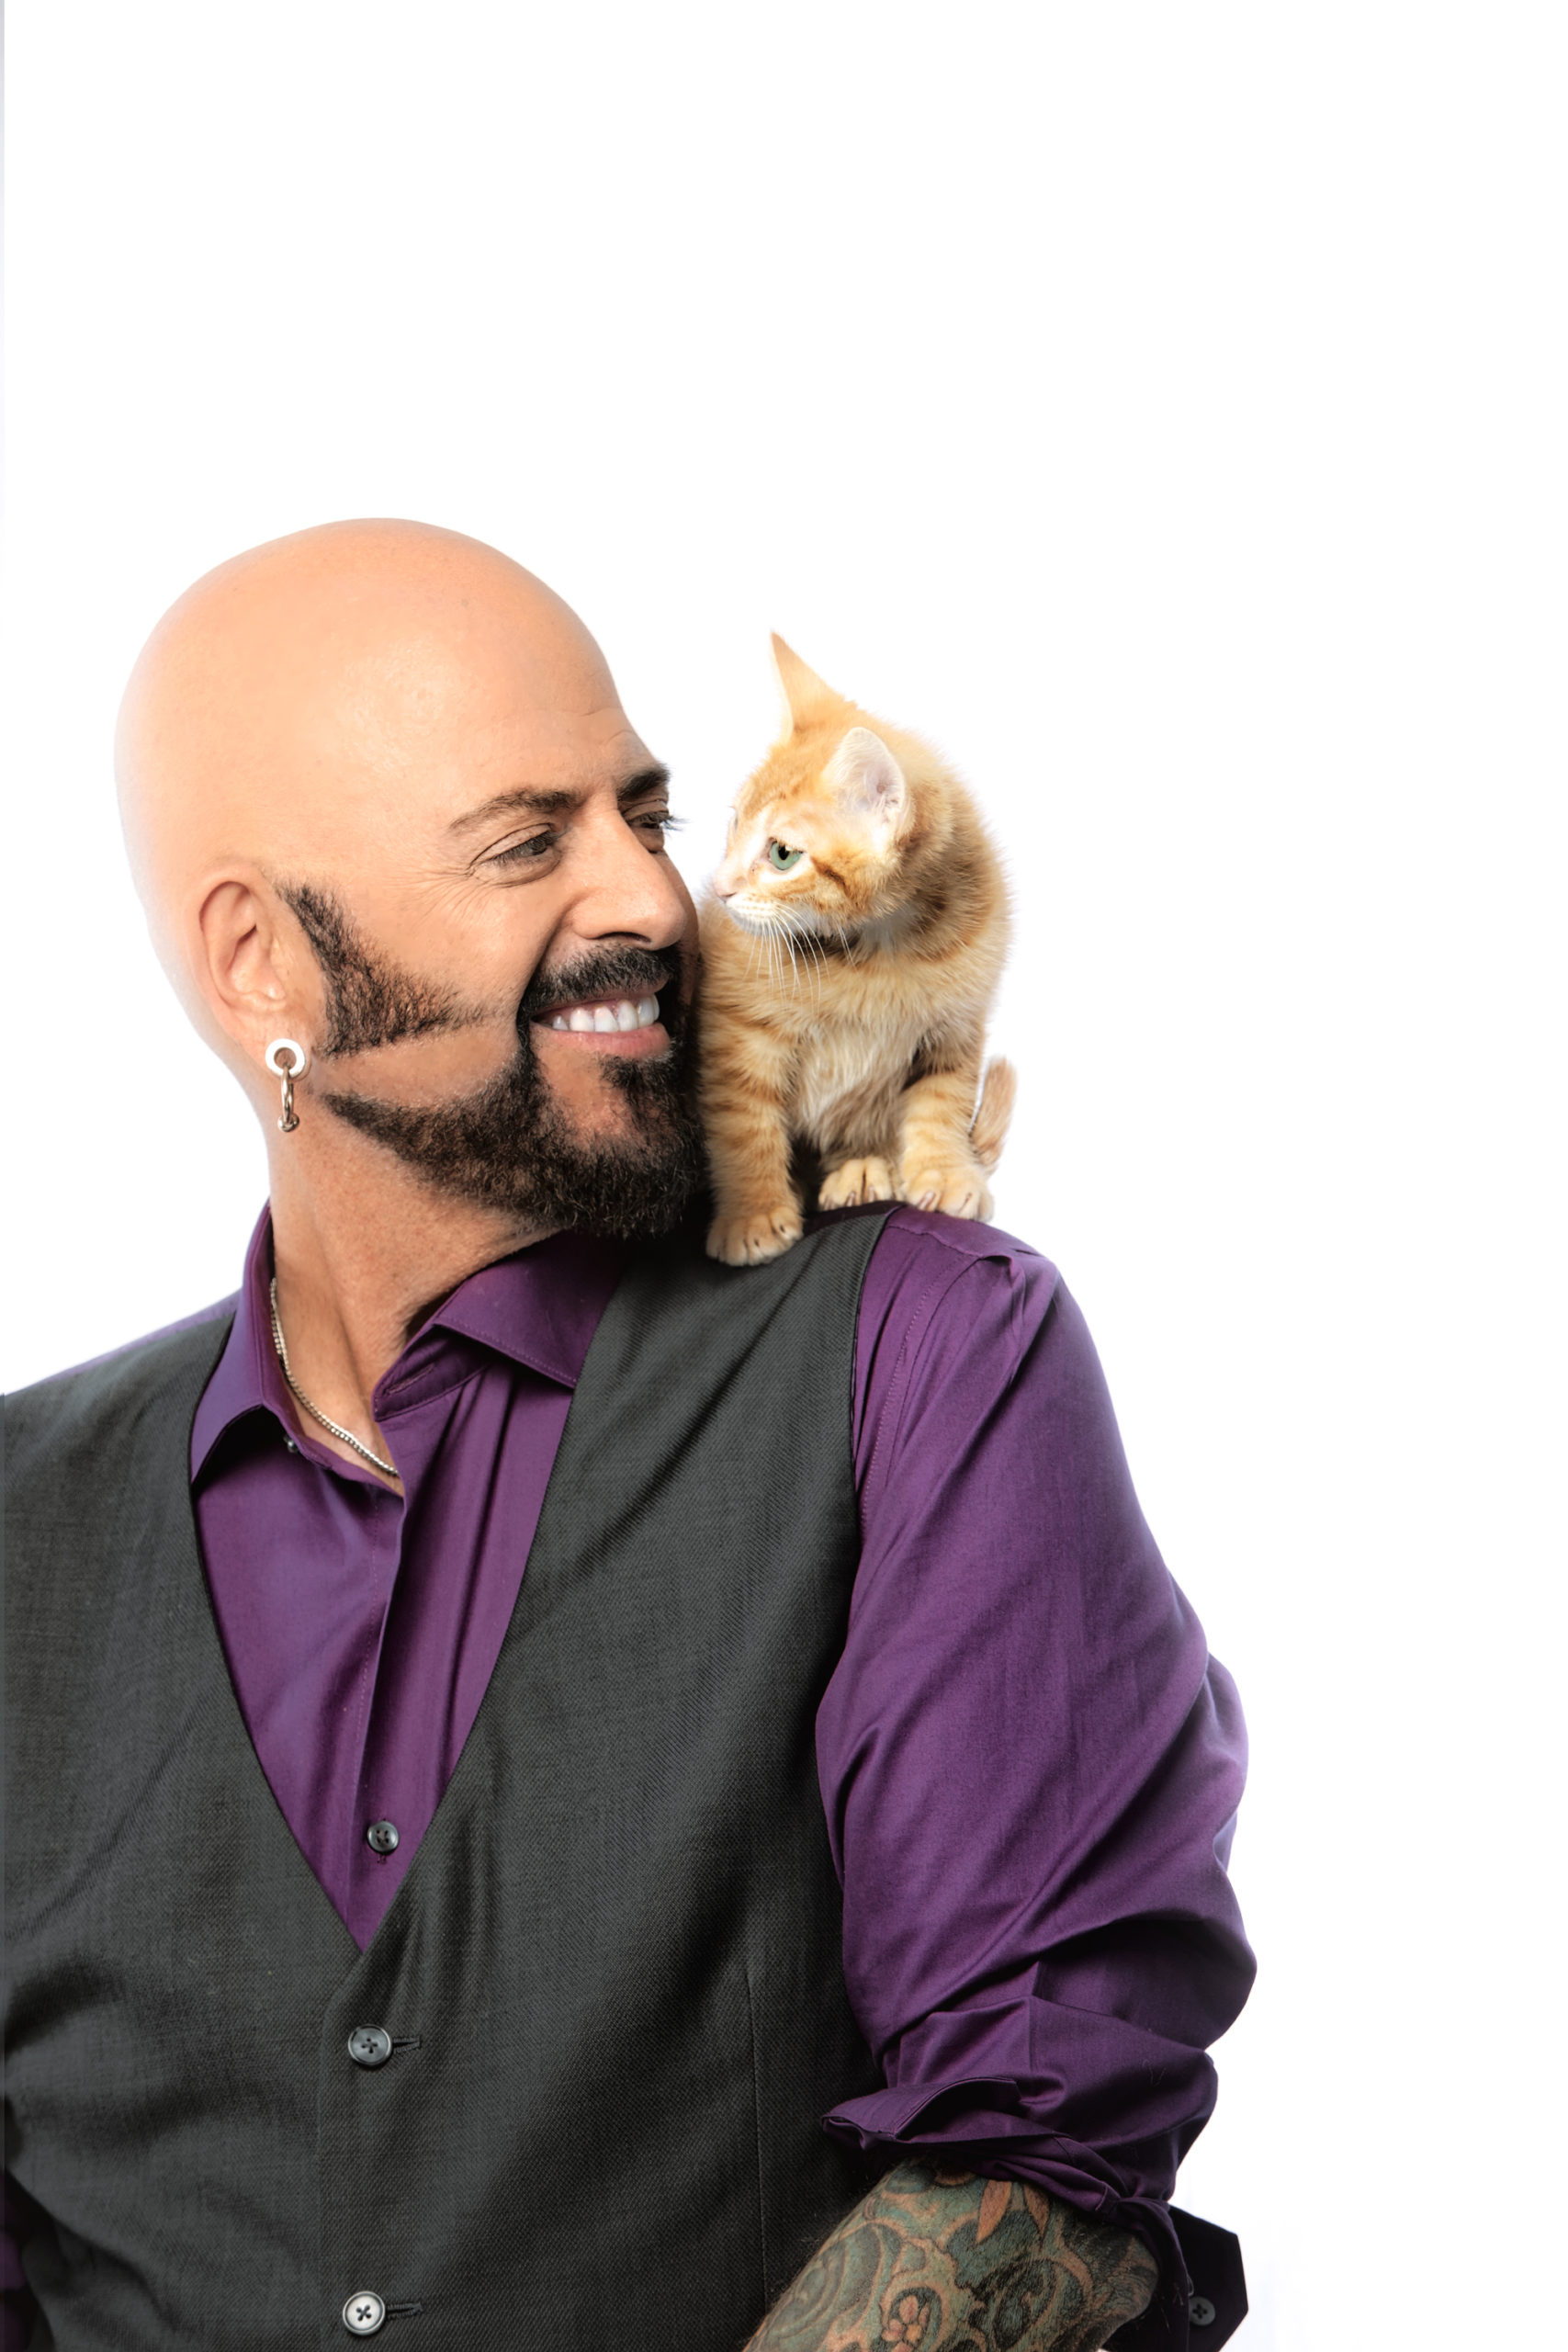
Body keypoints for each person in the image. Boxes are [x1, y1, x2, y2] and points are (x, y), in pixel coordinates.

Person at [2, 521, 1254, 2352]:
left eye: (645, 814)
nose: (659, 904)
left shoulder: (916, 1351)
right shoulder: (23, 1526)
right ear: (260, 966)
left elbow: (1041, 2144)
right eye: (529, 843)